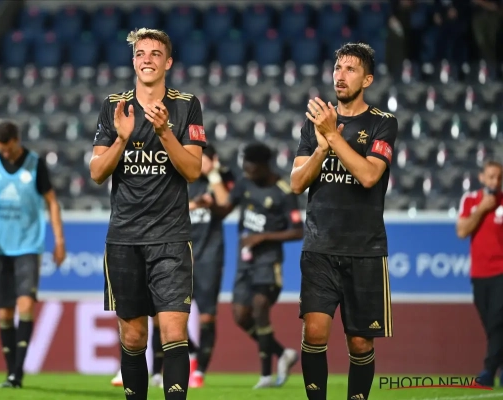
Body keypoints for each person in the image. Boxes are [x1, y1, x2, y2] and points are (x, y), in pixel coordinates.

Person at [89, 28, 206, 400]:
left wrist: (165, 132)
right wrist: (122, 138)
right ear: (133, 61)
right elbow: (96, 172)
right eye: (141, 53)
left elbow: (193, 170)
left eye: (155, 53)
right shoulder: (114, 106)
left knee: (174, 332)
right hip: (124, 238)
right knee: (134, 336)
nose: (147, 59)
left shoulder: (187, 105)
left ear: (168, 62)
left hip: (171, 237)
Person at [290, 42, 398, 400]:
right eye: (338, 67)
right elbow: (296, 183)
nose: (341, 75)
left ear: (367, 79)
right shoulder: (315, 124)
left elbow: (369, 176)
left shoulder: (382, 123)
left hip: (364, 249)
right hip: (319, 246)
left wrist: (333, 136)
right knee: (314, 333)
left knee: (360, 342)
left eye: (351, 69)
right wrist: (321, 147)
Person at [197, 142, 302, 389]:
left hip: (268, 262)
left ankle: (265, 375)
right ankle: (282, 353)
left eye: (252, 169)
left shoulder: (283, 191)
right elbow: (225, 210)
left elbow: (298, 231)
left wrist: (263, 237)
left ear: (264, 166)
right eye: (246, 168)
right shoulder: (244, 184)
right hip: (244, 263)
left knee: (259, 307)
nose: (248, 173)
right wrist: (211, 205)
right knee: (241, 316)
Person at [0, 119, 66, 389]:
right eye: (0, 148)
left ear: (17, 140)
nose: (4, 152)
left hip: (28, 245)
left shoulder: (35, 164)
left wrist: (59, 240)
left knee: (25, 305)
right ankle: (11, 372)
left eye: (8, 147)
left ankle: (17, 373)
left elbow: (52, 202)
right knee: (4, 313)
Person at [148, 143, 235, 389]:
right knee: (163, 315)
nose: (200, 162)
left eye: (205, 159)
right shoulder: (179, 178)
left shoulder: (218, 181)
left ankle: (199, 372)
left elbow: (225, 203)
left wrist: (214, 174)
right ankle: (157, 371)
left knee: (207, 316)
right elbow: (164, 211)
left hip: (209, 258)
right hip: (178, 256)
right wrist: (196, 205)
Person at [456, 160, 503, 387]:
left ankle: (488, 371)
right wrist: (482, 209)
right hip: (479, 273)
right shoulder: (471, 200)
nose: (495, 181)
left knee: (497, 319)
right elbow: (462, 231)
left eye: (499, 177)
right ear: (482, 177)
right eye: (491, 176)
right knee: (490, 323)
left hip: (501, 271)